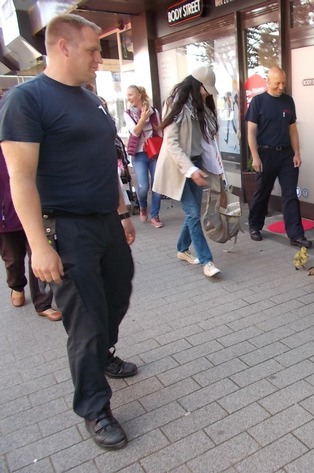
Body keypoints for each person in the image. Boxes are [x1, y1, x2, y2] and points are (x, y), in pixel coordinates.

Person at [0, 14, 137, 450]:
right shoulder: (27, 100)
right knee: (86, 322)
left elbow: (105, 160)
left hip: (105, 223)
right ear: (63, 46)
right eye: (93, 50)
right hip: (66, 229)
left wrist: (123, 211)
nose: (100, 58)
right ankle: (95, 408)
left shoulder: (91, 99)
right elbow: (20, 179)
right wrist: (38, 247)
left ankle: (103, 356)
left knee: (118, 294)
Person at [152, 66, 222, 279]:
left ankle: (182, 249)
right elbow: (172, 143)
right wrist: (190, 170)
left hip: (196, 163)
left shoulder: (201, 106)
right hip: (179, 168)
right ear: (196, 84)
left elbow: (208, 142)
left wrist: (211, 168)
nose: (208, 93)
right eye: (205, 89)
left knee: (194, 214)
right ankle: (207, 261)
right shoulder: (177, 105)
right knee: (192, 214)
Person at [246, 66, 312, 248]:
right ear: (268, 81)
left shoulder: (288, 101)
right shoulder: (258, 102)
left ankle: (296, 235)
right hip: (265, 154)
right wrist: (255, 157)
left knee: (290, 195)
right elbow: (251, 131)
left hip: (286, 155)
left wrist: (297, 153)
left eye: (284, 82)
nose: (281, 86)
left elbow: (293, 129)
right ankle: (255, 225)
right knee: (262, 192)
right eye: (277, 83)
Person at [1, 148, 61, 321]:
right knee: (12, 259)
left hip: (34, 211)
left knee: (40, 252)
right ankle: (17, 286)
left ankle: (43, 303)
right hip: (6, 217)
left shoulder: (25, 141)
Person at [124, 85, 164, 228]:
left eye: (130, 95)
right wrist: (143, 119)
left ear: (139, 95)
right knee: (143, 187)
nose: (128, 98)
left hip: (153, 152)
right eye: (127, 95)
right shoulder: (128, 113)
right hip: (139, 154)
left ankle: (155, 215)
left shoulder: (154, 112)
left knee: (157, 185)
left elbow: (159, 132)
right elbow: (134, 132)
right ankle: (142, 206)